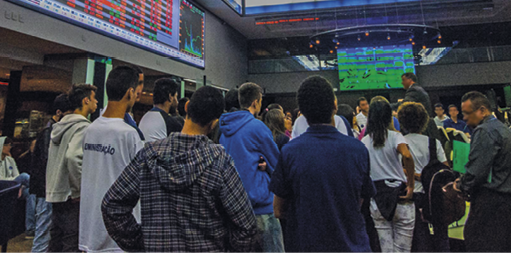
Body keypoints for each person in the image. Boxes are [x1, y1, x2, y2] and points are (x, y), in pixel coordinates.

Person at [102, 86, 258, 253]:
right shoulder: (219, 161)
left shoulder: (148, 156)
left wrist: (141, 242)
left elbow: (112, 205)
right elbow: (246, 226)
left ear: (186, 107)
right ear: (215, 122)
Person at [271, 75, 374, 253]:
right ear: (334, 105)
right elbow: (360, 200)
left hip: (305, 245)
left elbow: (279, 210)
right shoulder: (358, 149)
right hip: (352, 246)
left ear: (301, 112)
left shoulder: (289, 152)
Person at [79, 66, 144, 253]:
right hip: (120, 236)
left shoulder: (90, 130)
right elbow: (142, 182)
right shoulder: (129, 135)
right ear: (130, 93)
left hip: (90, 231)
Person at [450, 91, 511, 253]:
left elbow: (476, 172)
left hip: (490, 204)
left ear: (482, 110)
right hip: (510, 202)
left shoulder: (484, 131)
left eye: (467, 113)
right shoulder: (503, 129)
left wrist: (460, 186)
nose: (464, 118)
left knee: (479, 244)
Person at [220, 82, 285, 253]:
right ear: (256, 102)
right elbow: (278, 164)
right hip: (261, 206)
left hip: (233, 207)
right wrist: (267, 168)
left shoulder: (224, 129)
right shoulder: (257, 127)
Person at [46, 84, 97, 253]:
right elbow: (74, 157)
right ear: (86, 100)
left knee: (56, 240)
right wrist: (79, 190)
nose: (96, 102)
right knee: (71, 242)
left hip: (56, 193)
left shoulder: (59, 127)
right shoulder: (83, 127)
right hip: (70, 196)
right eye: (94, 98)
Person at [361, 97, 415, 253]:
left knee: (386, 249)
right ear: (388, 116)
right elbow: (407, 156)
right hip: (399, 195)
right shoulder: (395, 136)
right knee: (403, 250)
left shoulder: (364, 141)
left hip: (377, 198)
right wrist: (410, 184)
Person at [397, 103, 450, 253]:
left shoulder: (400, 143)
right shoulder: (434, 142)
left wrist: (413, 174)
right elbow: (445, 170)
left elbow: (397, 171)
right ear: (424, 120)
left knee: (420, 239)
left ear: (402, 121)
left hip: (412, 196)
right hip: (435, 195)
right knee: (442, 236)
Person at [32, 93, 70, 253]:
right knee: (43, 232)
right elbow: (49, 161)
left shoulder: (53, 131)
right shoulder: (50, 132)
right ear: (59, 112)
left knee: (48, 232)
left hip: (48, 188)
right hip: (46, 188)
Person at [0, 136, 34, 235]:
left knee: (30, 193)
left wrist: (18, 184)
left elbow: (16, 175)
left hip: (15, 186)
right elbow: (0, 180)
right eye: (7, 145)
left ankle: (30, 228)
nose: (10, 147)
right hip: (2, 188)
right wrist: (15, 181)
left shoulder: (10, 160)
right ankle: (39, 187)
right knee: (24, 176)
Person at [139, 77, 183, 142]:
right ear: (170, 97)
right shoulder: (170, 122)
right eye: (176, 97)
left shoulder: (145, 117)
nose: (177, 102)